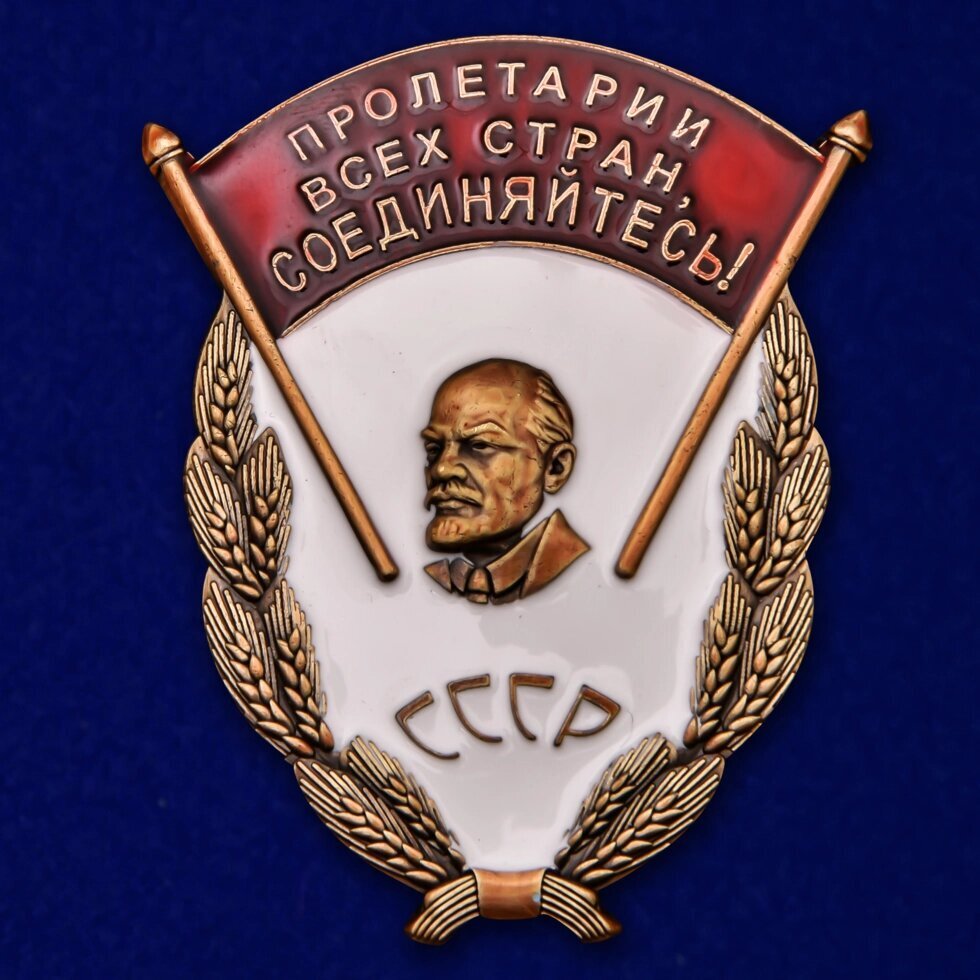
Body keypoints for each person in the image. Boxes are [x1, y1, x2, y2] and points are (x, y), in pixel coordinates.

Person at [421, 358, 588, 604]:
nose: (441, 469)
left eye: (480, 446)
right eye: (434, 449)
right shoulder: (431, 582)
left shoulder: (582, 577)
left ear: (555, 468)